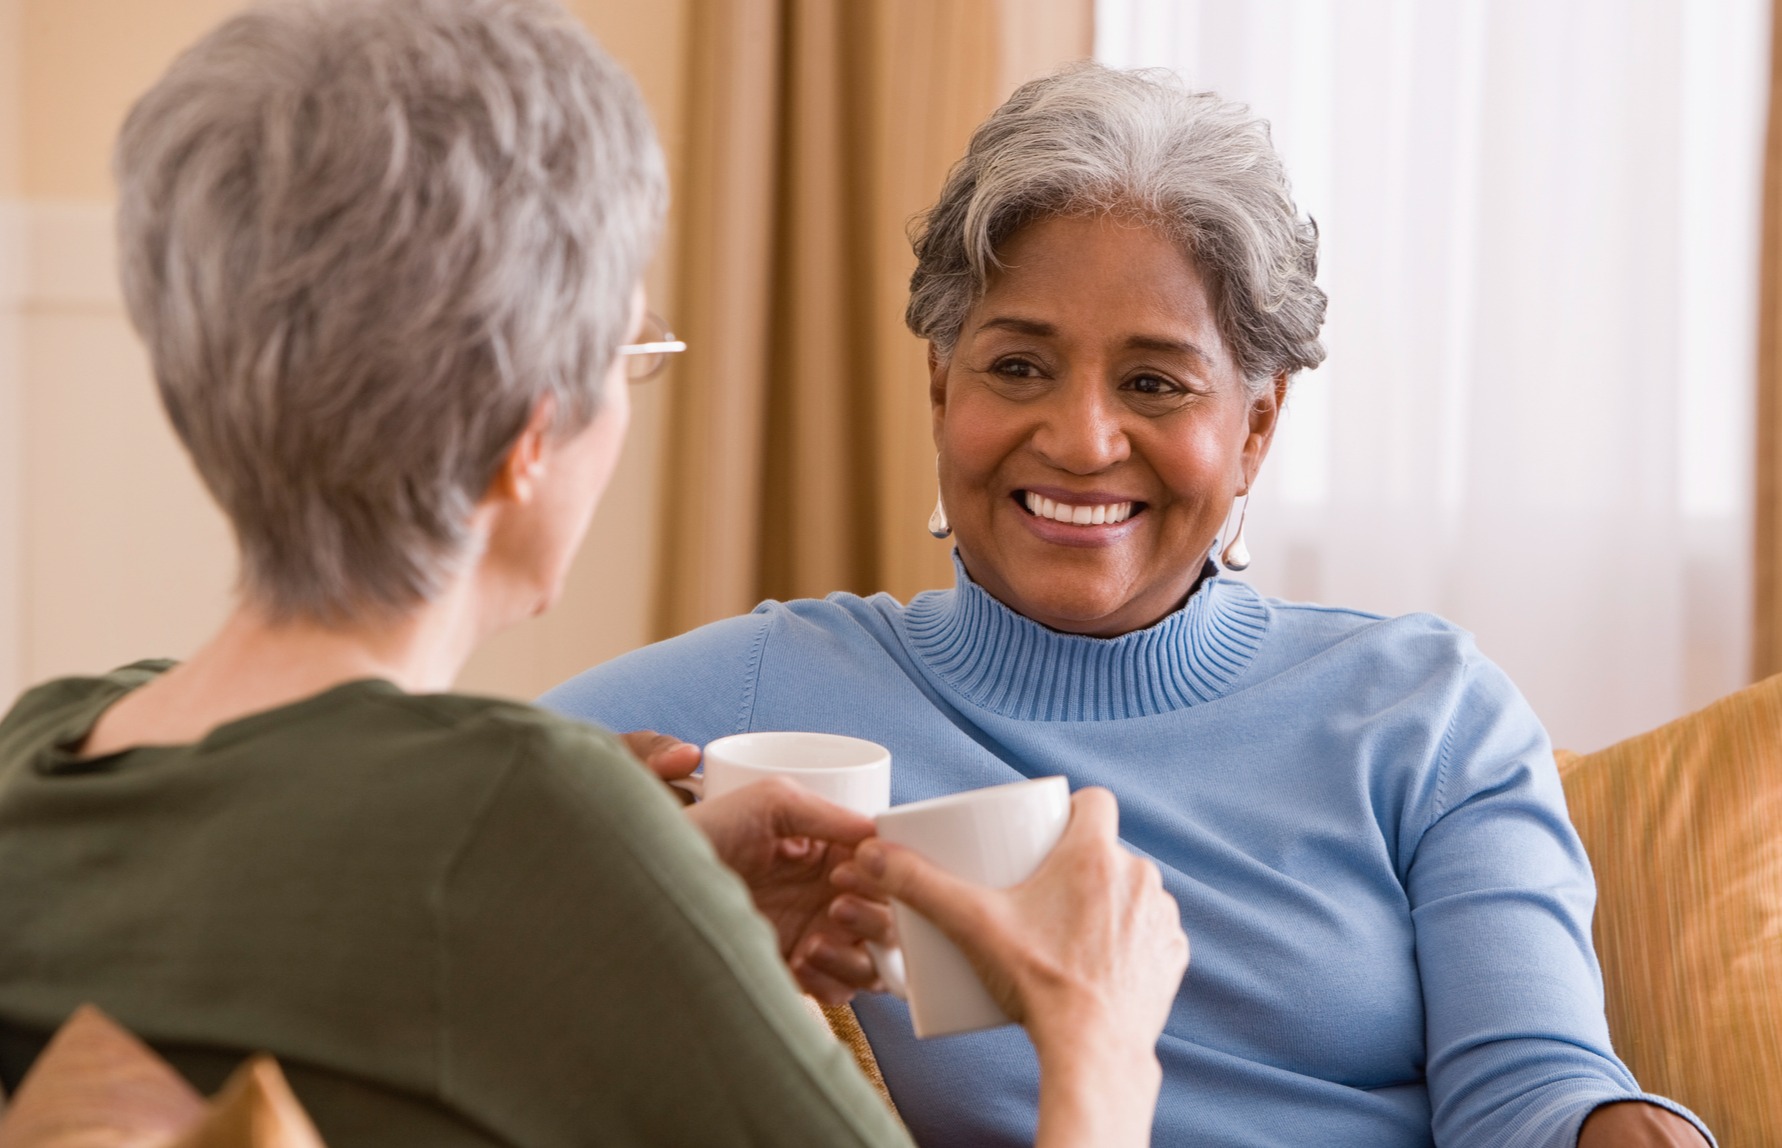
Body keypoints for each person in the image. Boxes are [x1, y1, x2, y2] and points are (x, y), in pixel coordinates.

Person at [0, 5, 1187, 1146]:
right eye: (631, 353)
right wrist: (1097, 1034)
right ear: (531, 432)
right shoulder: (535, 812)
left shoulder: (45, 749)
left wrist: (640, 923)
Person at [543, 64, 1714, 1148]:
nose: (1081, 439)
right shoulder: (770, 688)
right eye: (1017, 367)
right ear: (941, 383)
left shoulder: (1427, 712)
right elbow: (394, 815)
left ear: (1255, 425)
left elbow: (1537, 1091)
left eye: (1155, 382)